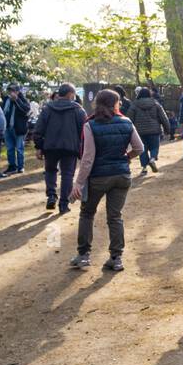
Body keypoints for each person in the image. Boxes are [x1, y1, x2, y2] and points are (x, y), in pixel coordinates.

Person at [69, 89, 143, 272]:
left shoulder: (90, 125)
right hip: (122, 176)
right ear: (115, 104)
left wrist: (79, 182)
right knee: (115, 216)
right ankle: (116, 258)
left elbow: (88, 158)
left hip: (98, 177)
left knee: (87, 213)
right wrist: (126, 158)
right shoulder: (126, 122)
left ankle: (84, 255)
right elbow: (139, 148)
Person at [33, 82, 87, 213]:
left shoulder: (47, 109)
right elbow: (85, 131)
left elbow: (38, 129)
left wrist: (39, 146)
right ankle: (64, 204)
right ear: (71, 94)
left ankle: (51, 195)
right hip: (70, 148)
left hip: (50, 147)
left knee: (50, 171)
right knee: (67, 174)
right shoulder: (78, 110)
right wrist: (83, 149)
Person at [129, 86, 166, 175]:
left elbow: (129, 118)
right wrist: (167, 129)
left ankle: (144, 168)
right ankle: (152, 159)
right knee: (154, 147)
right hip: (154, 131)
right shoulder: (155, 103)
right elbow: (163, 117)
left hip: (140, 132)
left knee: (143, 149)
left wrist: (128, 131)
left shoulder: (134, 104)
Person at [2, 84, 31, 174]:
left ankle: (20, 167)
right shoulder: (6, 100)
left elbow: (25, 110)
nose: (11, 93)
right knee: (10, 149)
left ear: (18, 92)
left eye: (13, 91)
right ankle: (12, 166)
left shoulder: (23, 100)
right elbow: (3, 112)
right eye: (10, 91)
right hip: (8, 128)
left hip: (19, 128)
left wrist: (16, 100)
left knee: (19, 148)